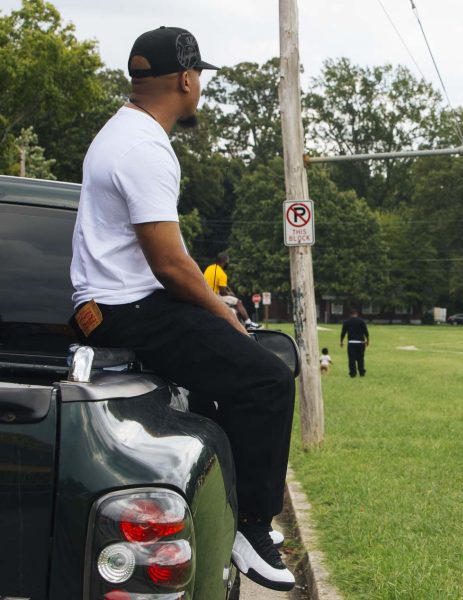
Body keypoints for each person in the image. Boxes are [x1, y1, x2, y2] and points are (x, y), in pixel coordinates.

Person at [68, 27, 295, 591]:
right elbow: (168, 263)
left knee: (226, 381)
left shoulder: (117, 133)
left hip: (111, 304)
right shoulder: (146, 146)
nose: (199, 92)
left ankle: (234, 500)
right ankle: (251, 527)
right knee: (266, 376)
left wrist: (217, 306)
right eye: (200, 81)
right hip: (130, 309)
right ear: (186, 79)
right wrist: (226, 318)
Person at [203, 252, 261, 331]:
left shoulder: (209, 268)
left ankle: (240, 324)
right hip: (214, 297)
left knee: (234, 308)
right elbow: (223, 293)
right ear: (224, 261)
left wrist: (229, 292)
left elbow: (218, 285)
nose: (228, 263)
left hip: (205, 295)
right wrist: (231, 294)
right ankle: (248, 323)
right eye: (227, 261)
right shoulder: (222, 274)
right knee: (238, 302)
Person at [340, 308, 369, 377]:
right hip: (360, 342)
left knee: (351, 359)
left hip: (351, 343)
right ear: (357, 314)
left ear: (350, 314)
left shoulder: (347, 322)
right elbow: (366, 332)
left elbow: (343, 332)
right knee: (360, 358)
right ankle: (362, 372)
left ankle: (353, 373)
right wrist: (367, 340)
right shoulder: (361, 321)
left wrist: (341, 341)